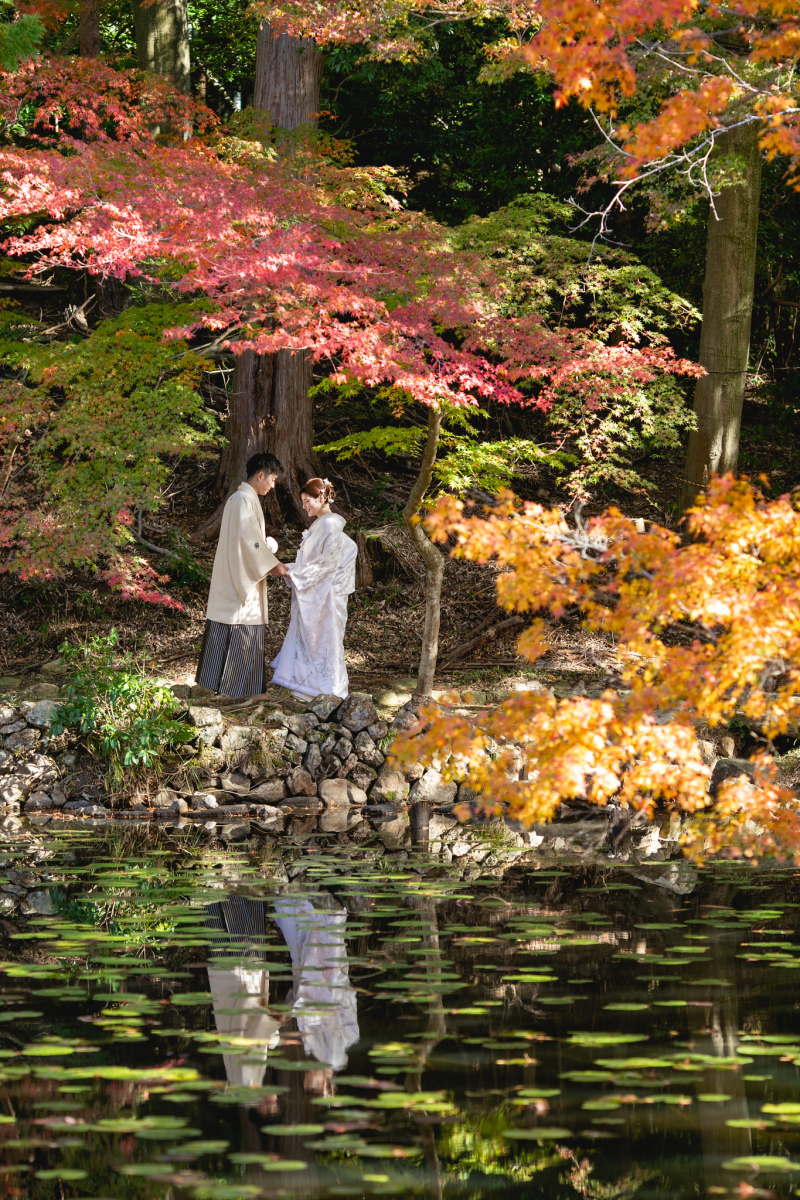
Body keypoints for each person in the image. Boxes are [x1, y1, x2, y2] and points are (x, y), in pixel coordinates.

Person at [196, 452, 290, 698]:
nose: (273, 485)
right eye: (272, 479)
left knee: (227, 626)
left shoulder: (238, 499)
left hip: (233, 572)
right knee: (241, 625)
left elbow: (248, 541)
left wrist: (267, 548)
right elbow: (250, 543)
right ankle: (236, 690)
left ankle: (217, 685)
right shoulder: (244, 501)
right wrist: (273, 565)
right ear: (260, 475)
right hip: (238, 577)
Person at [270, 478, 357, 701]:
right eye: (302, 501)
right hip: (319, 589)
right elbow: (313, 563)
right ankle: (307, 687)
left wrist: (293, 573)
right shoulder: (321, 524)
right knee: (314, 639)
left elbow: (325, 564)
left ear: (321, 498)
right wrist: (289, 569)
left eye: (307, 500)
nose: (304, 506)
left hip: (328, 594)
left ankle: (328, 691)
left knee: (325, 640)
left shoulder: (330, 525)